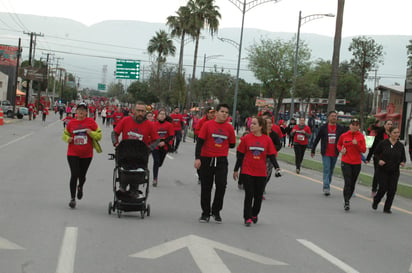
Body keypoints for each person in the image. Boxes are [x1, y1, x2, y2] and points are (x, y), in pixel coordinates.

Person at [233, 116, 280, 226]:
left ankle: (254, 213)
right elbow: (240, 155)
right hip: (247, 171)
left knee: (258, 196)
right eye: (251, 123)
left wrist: (277, 167)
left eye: (254, 123)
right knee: (249, 194)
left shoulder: (267, 139)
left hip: (261, 172)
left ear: (260, 126)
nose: (251, 125)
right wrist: (236, 170)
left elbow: (272, 155)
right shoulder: (246, 138)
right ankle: (247, 217)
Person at [194, 104, 236, 223]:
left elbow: (232, 144)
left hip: (221, 160)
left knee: (221, 185)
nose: (224, 114)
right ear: (216, 113)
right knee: (206, 187)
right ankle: (205, 213)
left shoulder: (229, 128)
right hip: (207, 159)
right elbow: (200, 142)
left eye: (226, 112)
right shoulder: (207, 125)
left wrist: (222, 145)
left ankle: (216, 211)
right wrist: (198, 158)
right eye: (222, 111)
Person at [112, 102, 160, 194]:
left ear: (145, 112)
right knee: (124, 178)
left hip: (140, 156)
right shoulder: (126, 120)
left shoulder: (149, 125)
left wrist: (149, 148)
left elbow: (157, 140)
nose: (140, 113)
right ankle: (122, 189)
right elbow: (114, 133)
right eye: (138, 111)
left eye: (142, 111)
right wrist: (116, 144)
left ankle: (133, 192)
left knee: (136, 180)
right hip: (125, 155)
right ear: (134, 111)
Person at [62, 102, 102, 209]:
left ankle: (80, 186)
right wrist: (68, 139)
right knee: (74, 174)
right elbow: (65, 134)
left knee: (82, 176)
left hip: (87, 155)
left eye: (83, 110)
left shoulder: (91, 122)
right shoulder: (71, 123)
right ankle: (72, 198)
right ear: (76, 111)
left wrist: (91, 133)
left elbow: (99, 136)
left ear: (86, 112)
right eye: (79, 109)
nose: (81, 112)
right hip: (73, 153)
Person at [311, 110, 346, 196]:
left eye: (335, 116)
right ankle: (326, 187)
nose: (334, 117)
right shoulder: (323, 128)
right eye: (332, 116)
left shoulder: (340, 128)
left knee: (331, 170)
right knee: (326, 169)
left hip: (335, 152)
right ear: (328, 117)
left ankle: (328, 183)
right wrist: (313, 150)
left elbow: (345, 137)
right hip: (326, 152)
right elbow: (317, 138)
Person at [372, 127, 406, 213]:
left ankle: (387, 208)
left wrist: (402, 162)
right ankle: (376, 200)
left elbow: (403, 157)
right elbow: (375, 154)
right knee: (383, 188)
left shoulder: (400, 146)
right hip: (383, 169)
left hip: (394, 170)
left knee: (392, 190)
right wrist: (379, 160)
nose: (396, 134)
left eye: (398, 133)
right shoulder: (383, 143)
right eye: (394, 133)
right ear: (390, 133)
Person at [337, 118, 366, 211]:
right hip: (346, 161)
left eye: (356, 125)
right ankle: (346, 201)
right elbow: (338, 144)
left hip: (356, 163)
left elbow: (363, 150)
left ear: (359, 126)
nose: (354, 126)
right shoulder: (344, 135)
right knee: (348, 181)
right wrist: (341, 150)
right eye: (353, 124)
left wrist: (357, 144)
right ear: (350, 125)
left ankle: (348, 198)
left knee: (352, 183)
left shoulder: (361, 136)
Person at [365, 119, 392, 197]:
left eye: (391, 124)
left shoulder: (393, 134)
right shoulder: (379, 133)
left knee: (387, 174)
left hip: (389, 158)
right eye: (388, 124)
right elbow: (372, 146)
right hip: (378, 157)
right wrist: (368, 158)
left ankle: (385, 189)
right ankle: (374, 189)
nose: (390, 126)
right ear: (384, 125)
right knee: (378, 173)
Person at [152, 110, 175, 187]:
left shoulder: (169, 125)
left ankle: (156, 168)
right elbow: (150, 135)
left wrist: (164, 142)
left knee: (159, 163)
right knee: (156, 161)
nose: (162, 115)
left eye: (163, 114)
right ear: (157, 116)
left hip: (164, 145)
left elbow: (171, 135)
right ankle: (155, 179)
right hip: (155, 145)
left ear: (165, 116)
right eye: (160, 114)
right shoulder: (153, 124)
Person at [194, 107, 216, 183]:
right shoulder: (202, 121)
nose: (213, 114)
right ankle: (200, 176)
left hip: (212, 145)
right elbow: (196, 131)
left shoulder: (216, 121)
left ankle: (210, 176)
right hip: (202, 143)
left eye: (214, 112)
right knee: (201, 161)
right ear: (207, 113)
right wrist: (204, 134)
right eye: (211, 113)